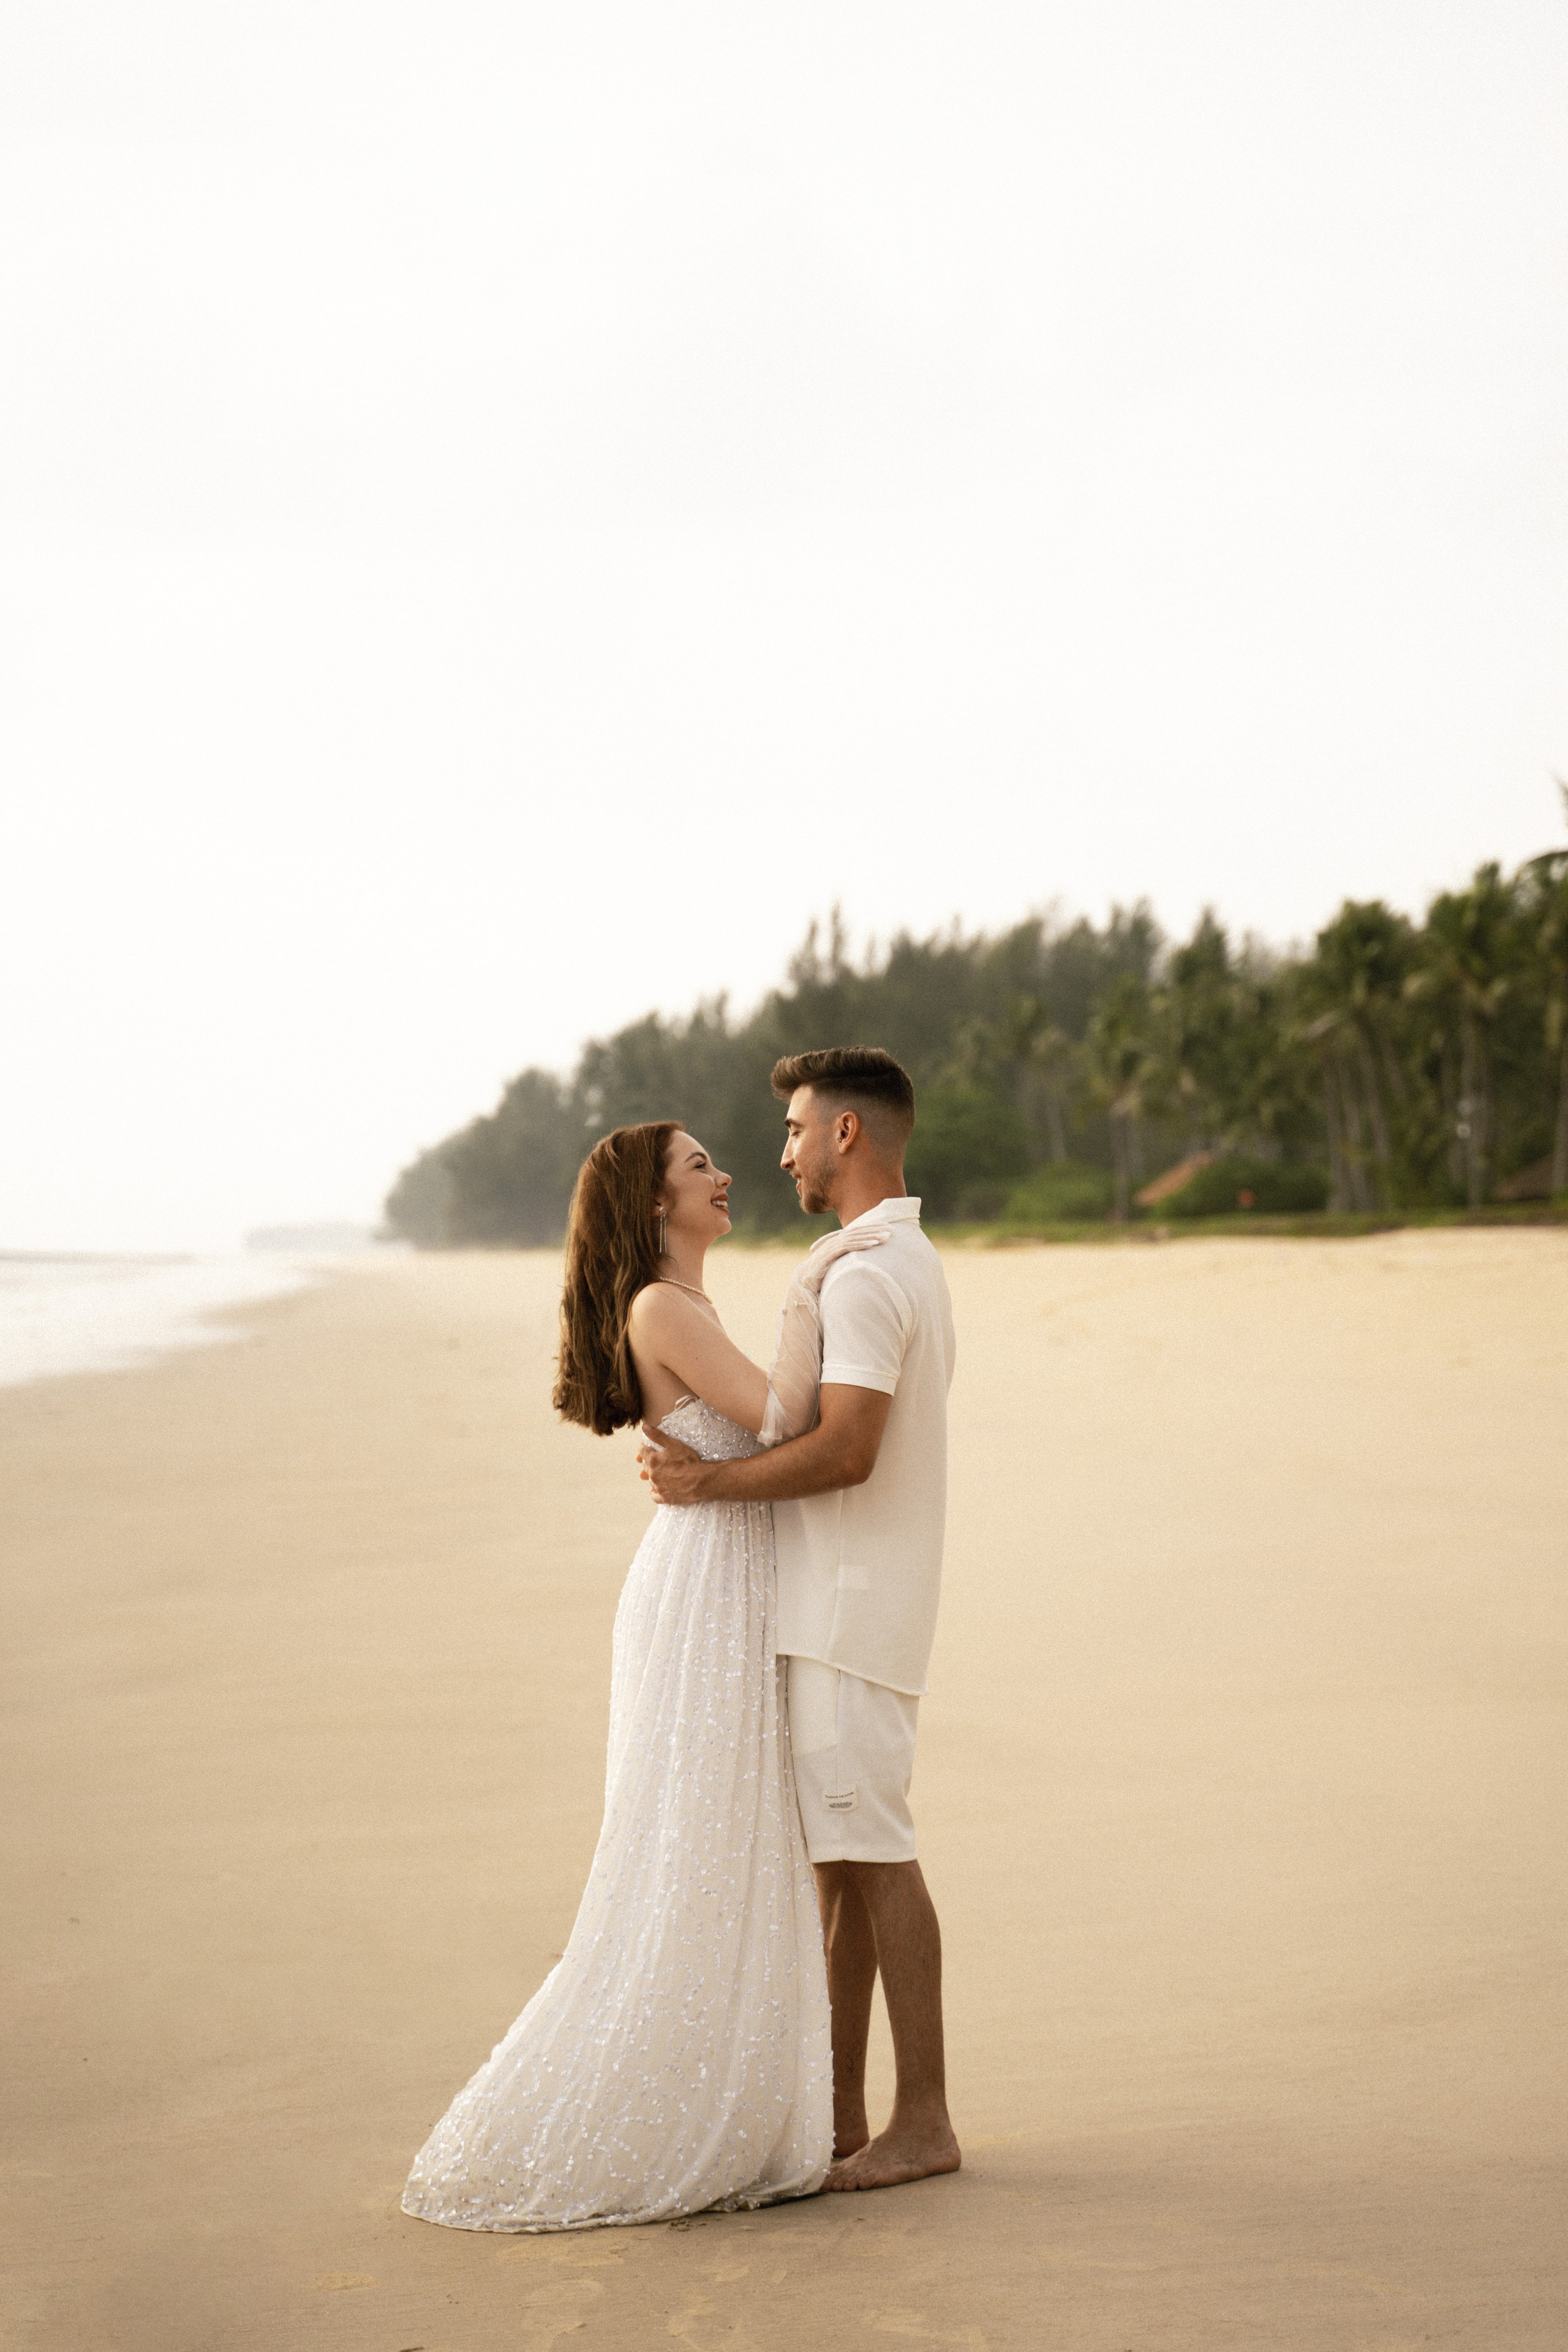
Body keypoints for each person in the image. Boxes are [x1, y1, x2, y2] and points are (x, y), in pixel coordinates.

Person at [402, 1120, 846, 2233]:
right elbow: (785, 1416)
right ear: (654, 1204)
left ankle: (736, 2097)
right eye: (699, 1166)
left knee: (736, 1833)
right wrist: (829, 1288)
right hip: (705, 1587)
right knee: (697, 1834)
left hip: (729, 1567)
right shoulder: (660, 1307)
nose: (725, 1173)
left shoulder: (685, 1307)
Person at [641, 1047, 961, 2193]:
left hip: (850, 1610)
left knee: (877, 1857)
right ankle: (840, 2113)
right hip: (841, 1607)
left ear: (845, 1136)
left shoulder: (871, 1274)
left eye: (791, 1129)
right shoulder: (884, 1260)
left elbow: (850, 1446)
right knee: (845, 1867)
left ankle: (922, 2120)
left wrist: (711, 1487)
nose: (777, 1152)